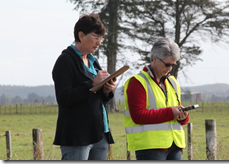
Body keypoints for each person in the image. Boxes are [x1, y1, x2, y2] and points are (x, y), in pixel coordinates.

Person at [52, 13, 116, 160]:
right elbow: (64, 98)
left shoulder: (93, 61)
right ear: (81, 36)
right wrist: (92, 83)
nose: (99, 42)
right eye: (95, 37)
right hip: (77, 137)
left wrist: (106, 90)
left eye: (101, 38)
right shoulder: (65, 61)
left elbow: (96, 99)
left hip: (100, 134)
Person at [124, 37, 189, 160]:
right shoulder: (137, 82)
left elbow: (178, 111)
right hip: (150, 148)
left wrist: (183, 116)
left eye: (173, 65)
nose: (170, 68)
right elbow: (138, 116)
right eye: (167, 64)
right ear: (154, 59)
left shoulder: (172, 82)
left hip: (175, 146)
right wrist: (171, 113)